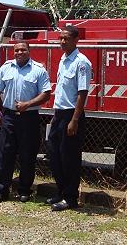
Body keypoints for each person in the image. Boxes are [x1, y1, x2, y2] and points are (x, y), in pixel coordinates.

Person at [0, 41, 51, 204]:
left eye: (23, 49)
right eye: (16, 50)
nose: (19, 52)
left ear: (29, 51)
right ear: (13, 52)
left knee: (27, 155)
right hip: (8, 118)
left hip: (29, 118)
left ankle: (24, 190)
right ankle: (0, 191)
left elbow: (46, 93)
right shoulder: (6, 68)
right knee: (4, 155)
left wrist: (28, 104)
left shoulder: (38, 70)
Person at [47, 25, 92, 211]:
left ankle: (70, 198)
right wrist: (55, 116)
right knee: (54, 154)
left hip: (72, 114)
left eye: (66, 38)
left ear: (76, 40)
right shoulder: (64, 59)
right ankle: (60, 191)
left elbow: (82, 93)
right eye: (61, 38)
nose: (62, 41)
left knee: (69, 158)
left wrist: (74, 120)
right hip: (59, 114)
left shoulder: (81, 62)